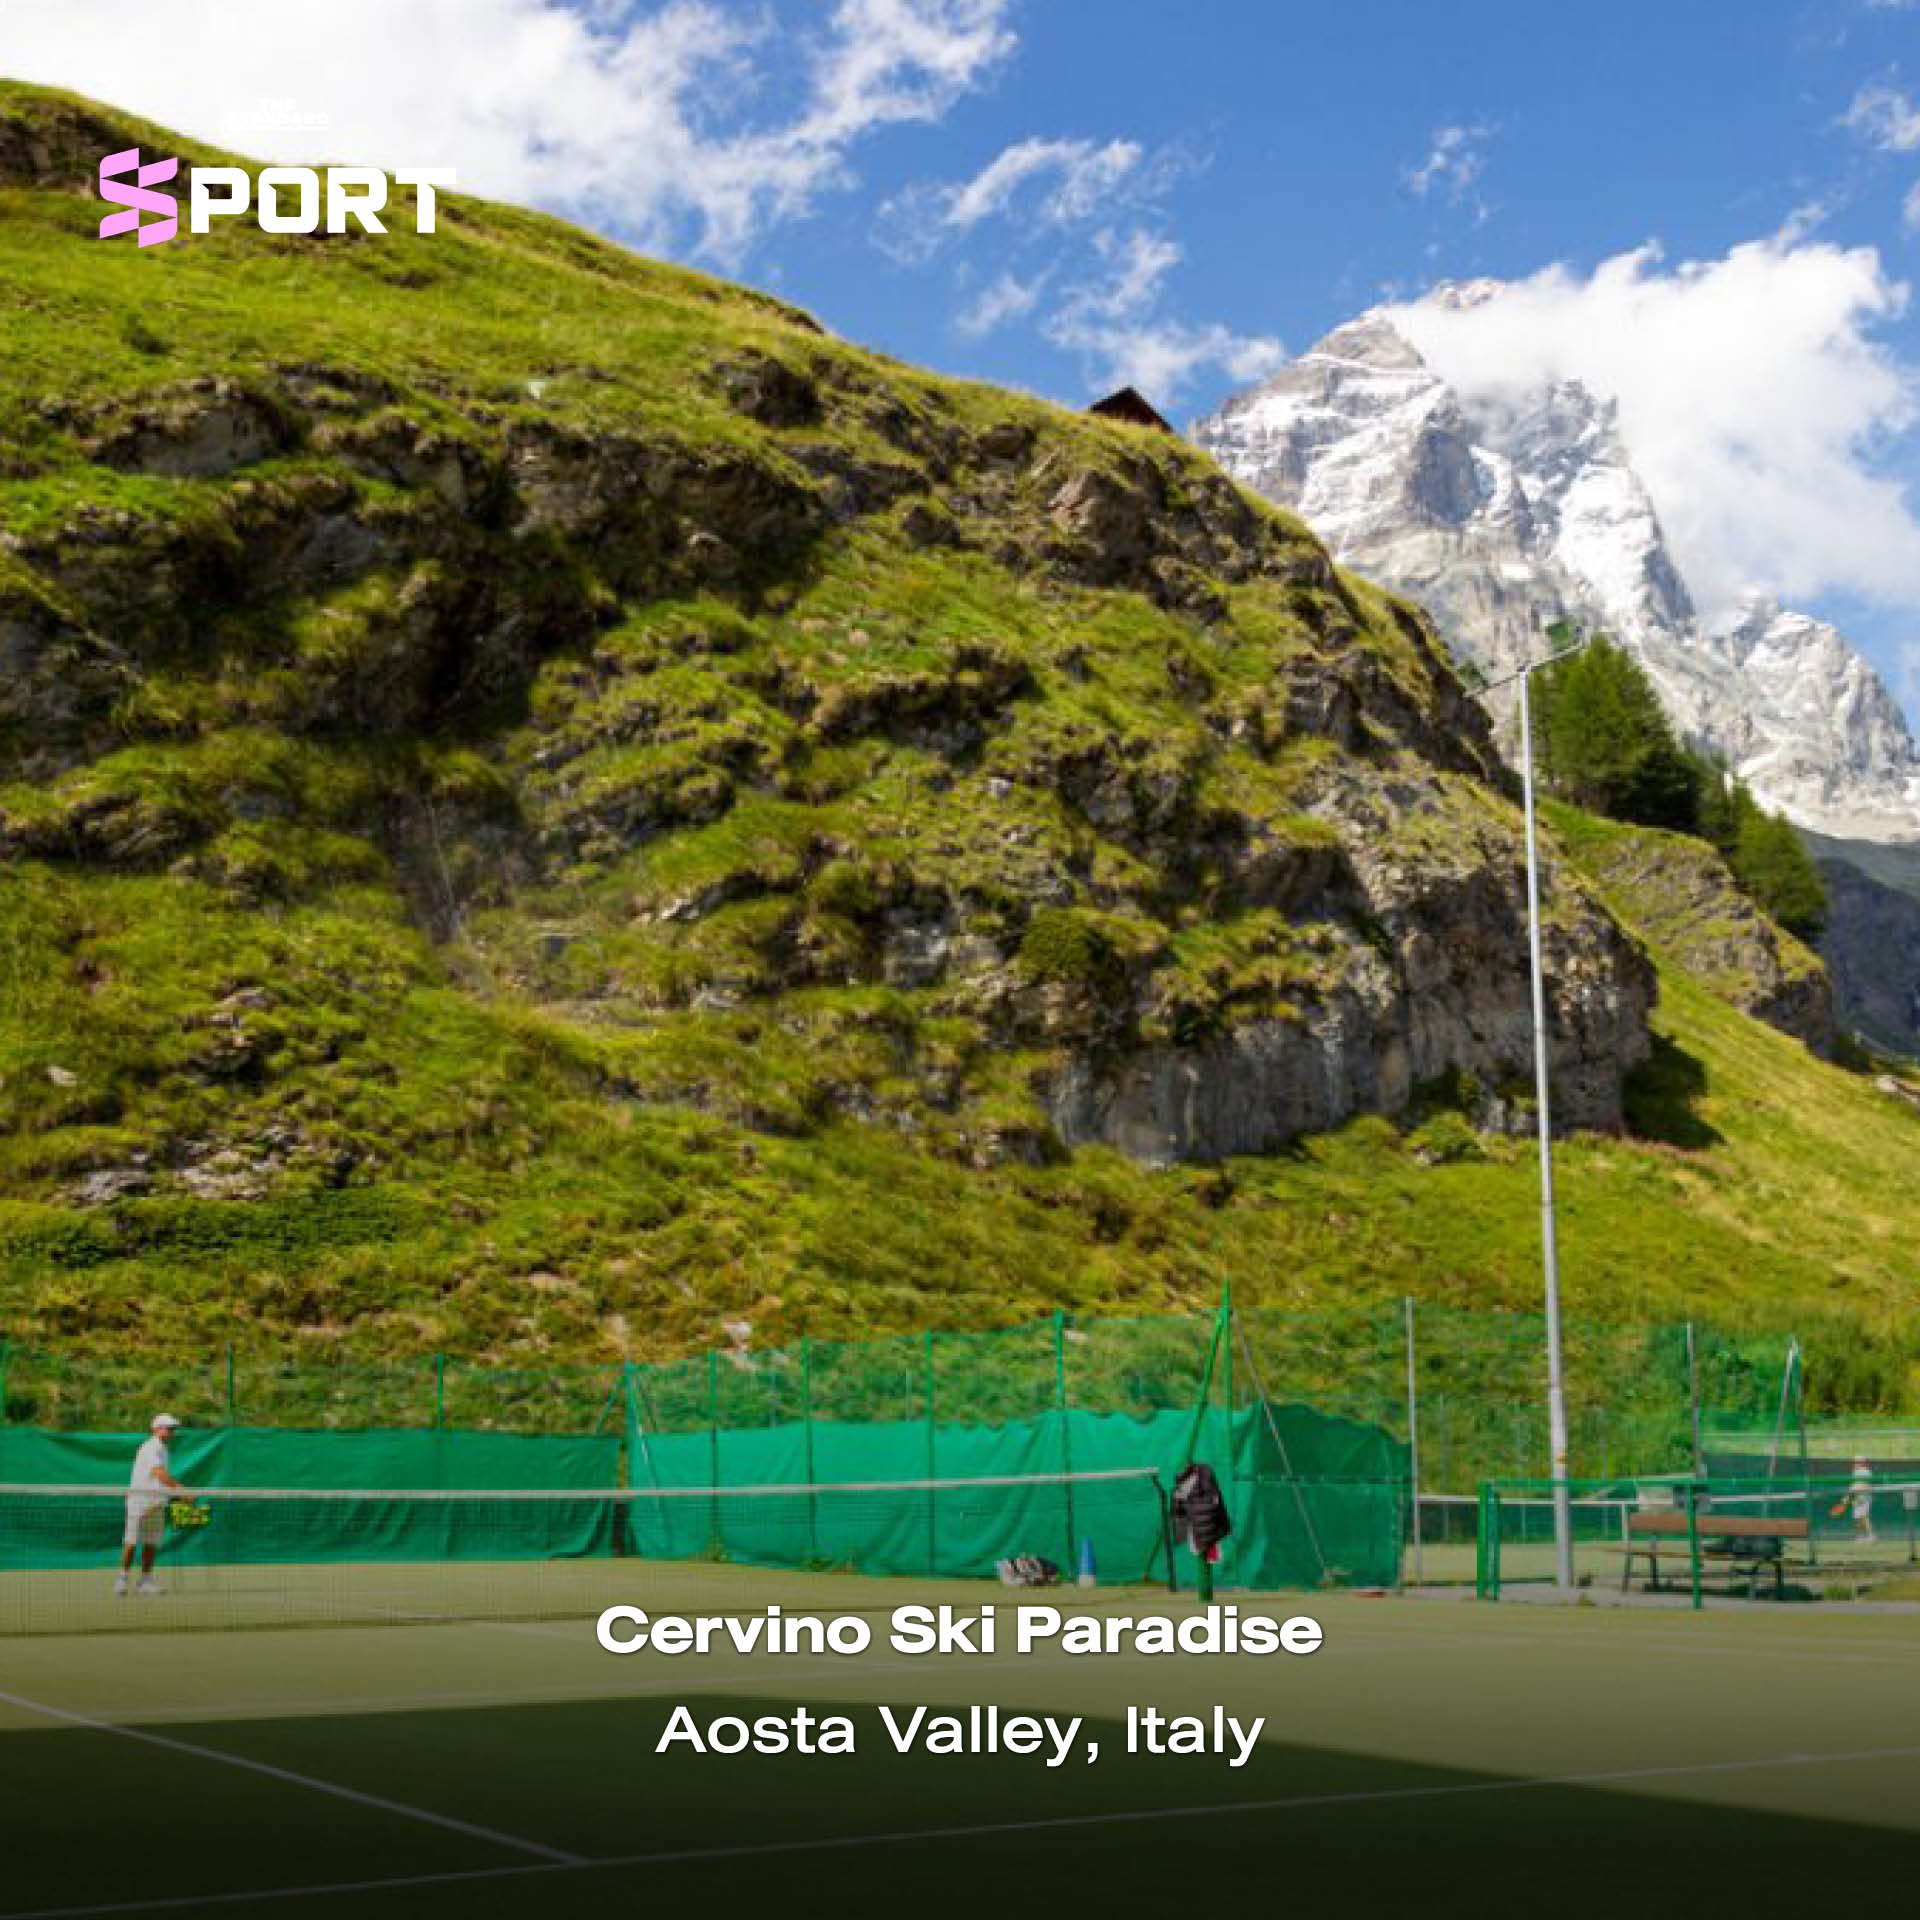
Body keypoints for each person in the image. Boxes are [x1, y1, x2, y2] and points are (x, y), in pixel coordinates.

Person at [116, 1414, 188, 1597]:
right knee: (131, 1542)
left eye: (173, 1429)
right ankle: (122, 1579)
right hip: (139, 1502)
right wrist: (180, 1490)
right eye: (168, 1428)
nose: (172, 1432)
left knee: (150, 1543)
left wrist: (171, 1494)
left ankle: (145, 1581)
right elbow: (159, 1473)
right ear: (156, 1429)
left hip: (156, 1502)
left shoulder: (163, 1449)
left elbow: (159, 1479)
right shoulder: (151, 1447)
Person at [1849, 1456, 1876, 1548]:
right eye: (1855, 1462)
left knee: (1864, 1517)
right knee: (1857, 1518)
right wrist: (1851, 1495)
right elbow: (1854, 1485)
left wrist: (1860, 1494)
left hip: (1864, 1497)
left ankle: (1871, 1535)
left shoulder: (1866, 1472)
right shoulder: (1854, 1472)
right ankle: (1860, 1536)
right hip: (1856, 1497)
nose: (1856, 1463)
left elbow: (1866, 1485)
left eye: (1858, 1462)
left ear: (1863, 1462)